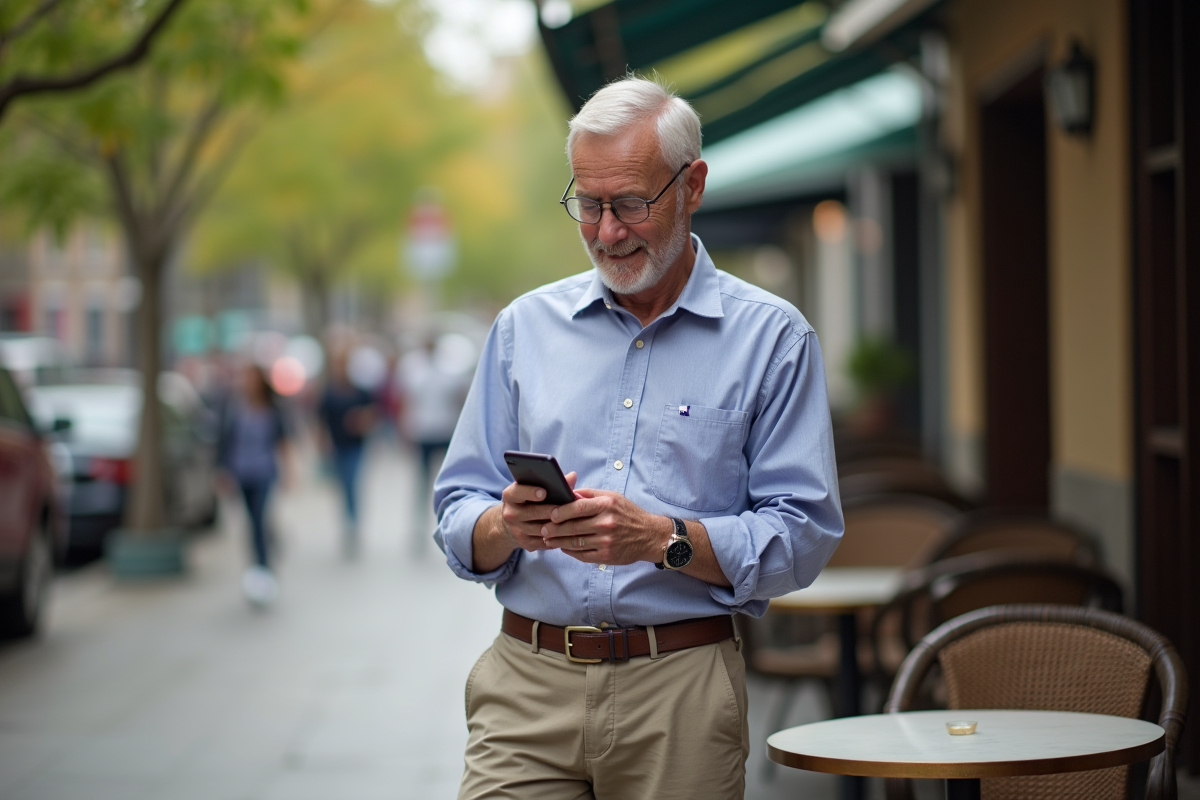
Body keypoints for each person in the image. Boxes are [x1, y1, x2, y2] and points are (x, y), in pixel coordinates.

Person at [433, 76, 844, 799]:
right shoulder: (521, 330)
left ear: (693, 186)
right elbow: (456, 511)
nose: (607, 231)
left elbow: (802, 534)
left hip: (680, 692)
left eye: (630, 204)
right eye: (587, 205)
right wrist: (505, 522)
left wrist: (662, 539)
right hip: (525, 683)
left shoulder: (773, 339)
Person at [217, 362, 291, 607]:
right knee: (251, 523)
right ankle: (259, 562)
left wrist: (290, 471)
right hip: (241, 472)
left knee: (259, 518)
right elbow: (225, 440)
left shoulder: (272, 408)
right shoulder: (234, 407)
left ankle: (263, 568)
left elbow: (282, 440)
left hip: (264, 472)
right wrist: (222, 471)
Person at [397, 334, 471, 553]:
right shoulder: (413, 369)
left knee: (448, 480)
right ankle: (420, 526)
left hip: (443, 430)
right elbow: (406, 401)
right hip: (423, 430)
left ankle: (450, 522)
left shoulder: (449, 369)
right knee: (422, 481)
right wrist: (405, 428)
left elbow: (459, 398)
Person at [318, 348, 376, 552]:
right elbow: (320, 420)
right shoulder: (328, 392)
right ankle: (347, 521)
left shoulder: (360, 391)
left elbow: (373, 413)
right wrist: (322, 443)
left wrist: (361, 420)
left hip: (355, 445)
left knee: (352, 483)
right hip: (336, 446)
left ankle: (353, 524)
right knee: (342, 487)